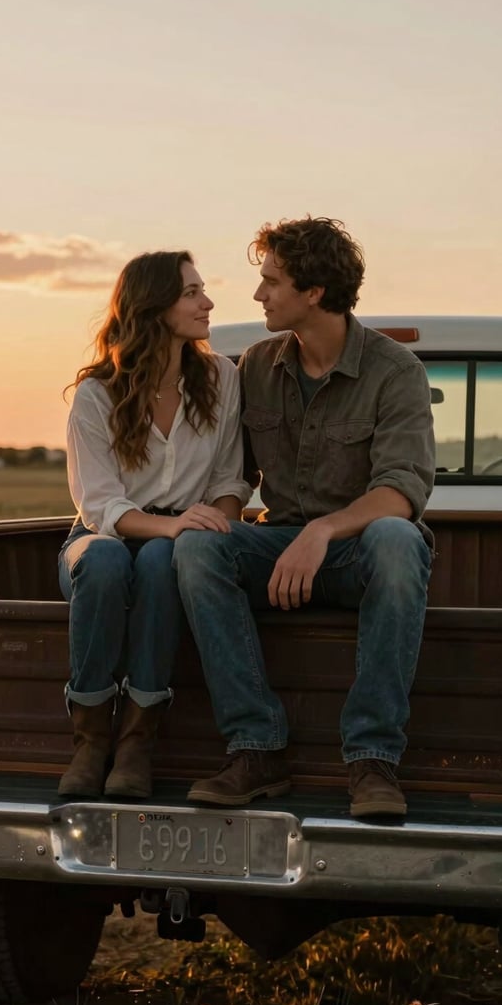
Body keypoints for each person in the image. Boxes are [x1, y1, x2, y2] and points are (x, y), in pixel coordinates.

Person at [173, 216, 435, 818]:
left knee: (398, 540)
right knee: (197, 546)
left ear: (314, 292)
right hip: (278, 549)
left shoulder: (396, 372)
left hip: (356, 551)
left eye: (271, 282)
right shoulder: (257, 366)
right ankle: (255, 748)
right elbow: (231, 475)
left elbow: (400, 490)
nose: (259, 294)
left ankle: (372, 761)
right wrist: (224, 521)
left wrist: (322, 530)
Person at [58, 250, 252, 800]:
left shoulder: (221, 378)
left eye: (202, 289)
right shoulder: (97, 394)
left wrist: (213, 533)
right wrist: (173, 527)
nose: (207, 302)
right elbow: (100, 507)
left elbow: (229, 480)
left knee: (169, 559)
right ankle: (90, 740)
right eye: (192, 292)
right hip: (99, 543)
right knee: (106, 558)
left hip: (179, 544)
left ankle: (138, 741)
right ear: (153, 305)